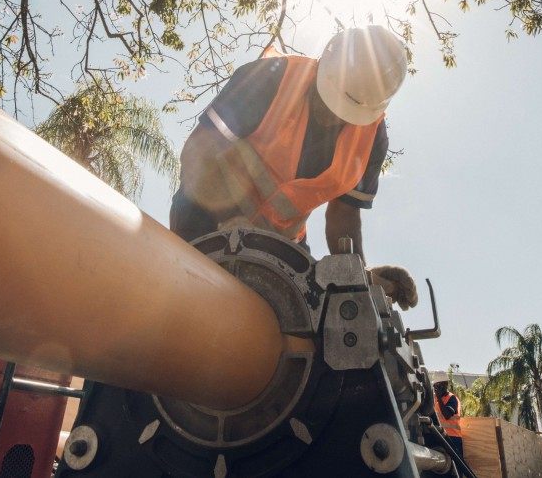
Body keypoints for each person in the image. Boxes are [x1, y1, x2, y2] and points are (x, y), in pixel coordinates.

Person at [169, 25, 418, 310]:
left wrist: (359, 278)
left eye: (347, 115)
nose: (334, 119)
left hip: (280, 245)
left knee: (311, 322)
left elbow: (343, 215)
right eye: (329, 103)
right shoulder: (268, 79)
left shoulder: (372, 138)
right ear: (323, 67)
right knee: (194, 305)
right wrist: (228, 220)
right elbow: (198, 151)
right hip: (205, 214)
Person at [433, 375, 465, 471]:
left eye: (439, 385)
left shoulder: (452, 398)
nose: (436, 388)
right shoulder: (435, 400)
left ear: (445, 384)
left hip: (453, 438)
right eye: (435, 386)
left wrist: (438, 397)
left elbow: (447, 415)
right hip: (440, 436)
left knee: (456, 468)